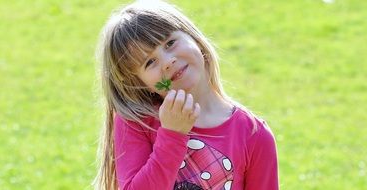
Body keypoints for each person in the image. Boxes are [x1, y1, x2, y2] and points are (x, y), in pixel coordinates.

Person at [94, 1, 279, 189]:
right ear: (140, 84)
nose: (167, 62)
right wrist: (172, 135)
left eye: (170, 43)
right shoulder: (138, 121)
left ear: (194, 39)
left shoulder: (254, 135)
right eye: (150, 62)